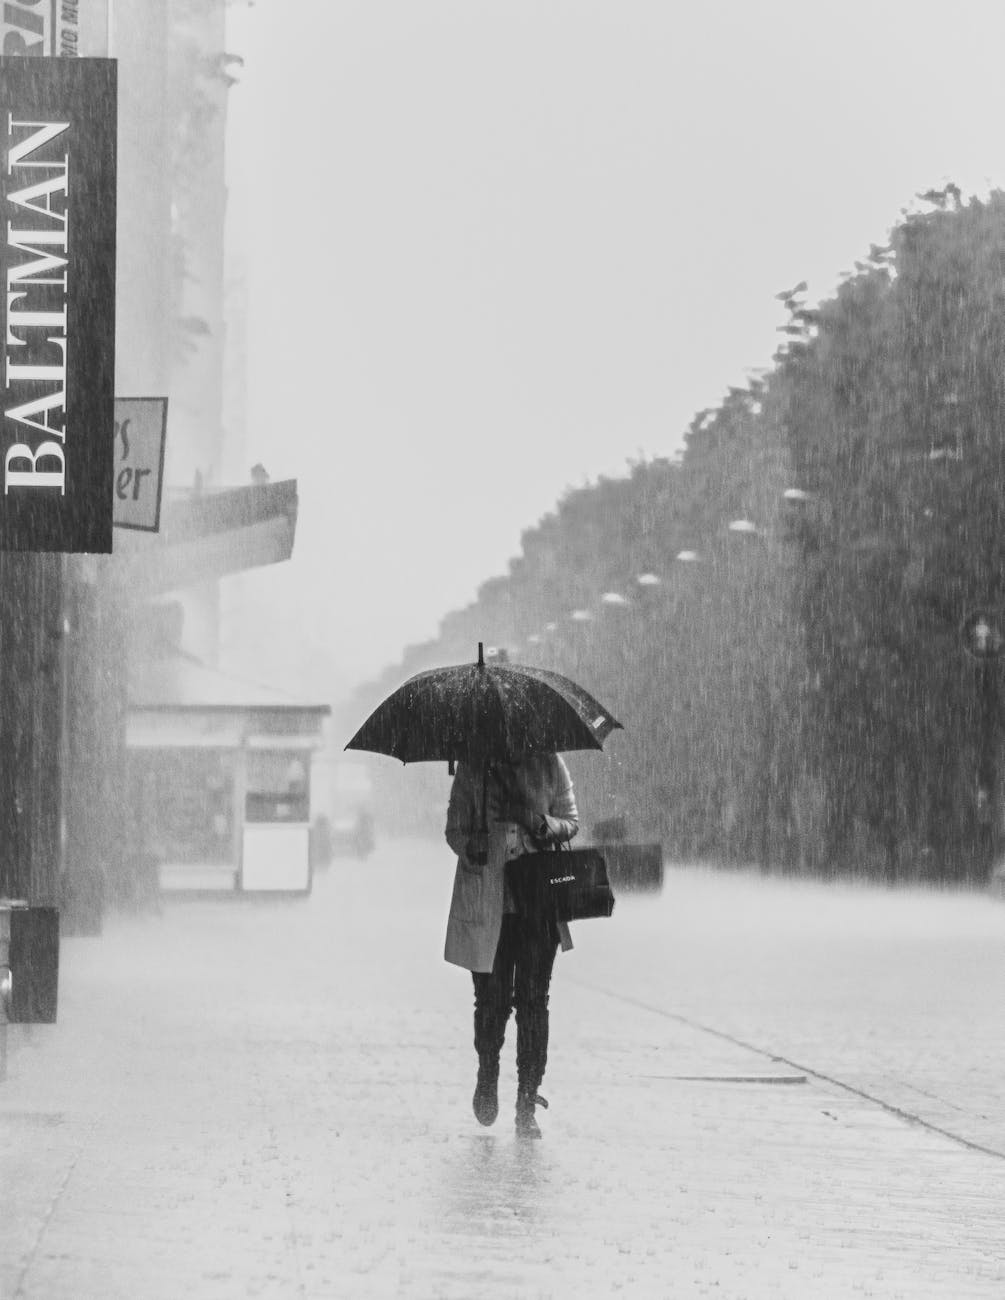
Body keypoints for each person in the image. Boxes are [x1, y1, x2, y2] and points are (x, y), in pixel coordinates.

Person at [444, 753, 579, 1139]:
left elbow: (570, 821)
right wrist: (472, 845)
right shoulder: (474, 766)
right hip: (488, 903)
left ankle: (526, 1098)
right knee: (492, 999)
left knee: (534, 1001)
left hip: (538, 901)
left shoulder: (550, 763)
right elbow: (454, 829)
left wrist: (537, 822)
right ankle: (488, 1069)